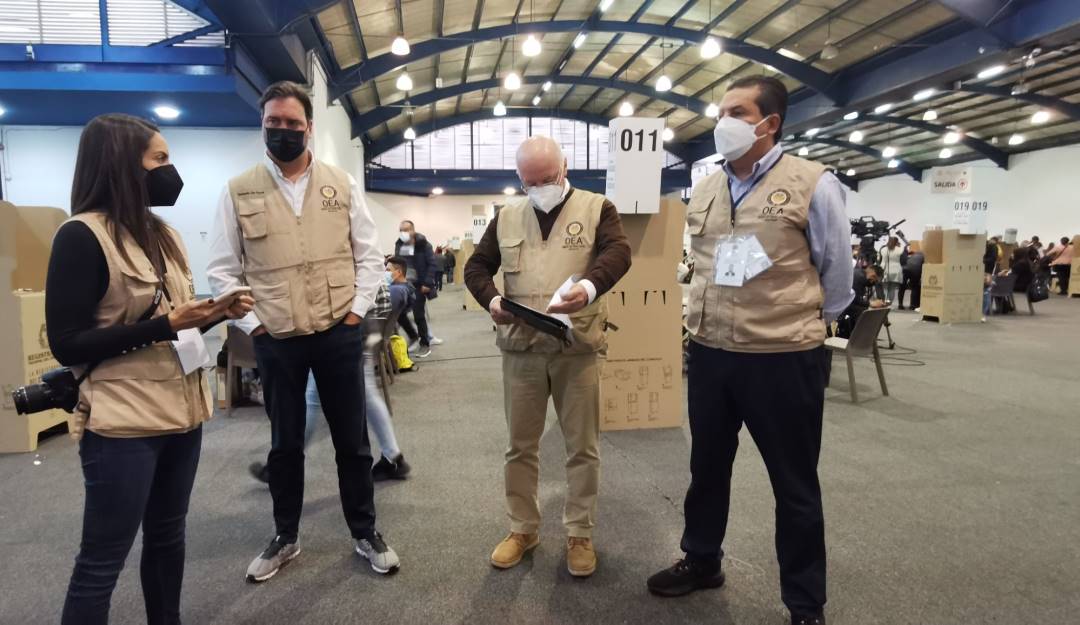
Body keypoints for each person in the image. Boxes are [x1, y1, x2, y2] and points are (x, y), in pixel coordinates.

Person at [645, 76, 853, 625]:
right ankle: (702, 559)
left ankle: (805, 604)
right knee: (707, 468)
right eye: (720, 112)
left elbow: (837, 277)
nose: (723, 122)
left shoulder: (812, 183)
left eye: (736, 112)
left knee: (794, 484)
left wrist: (799, 324)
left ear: (770, 123)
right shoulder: (707, 187)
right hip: (712, 352)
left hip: (783, 357)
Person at [47, 114, 254, 624]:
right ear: (122, 164)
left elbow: (173, 325)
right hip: (123, 424)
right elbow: (67, 344)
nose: (170, 169)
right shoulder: (81, 236)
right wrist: (167, 324)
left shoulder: (164, 235)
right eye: (159, 158)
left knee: (167, 537)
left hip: (183, 415)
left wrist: (212, 314)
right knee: (102, 561)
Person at [206, 81, 399, 581]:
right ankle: (285, 536)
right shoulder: (238, 190)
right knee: (285, 443)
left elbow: (369, 257)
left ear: (309, 127)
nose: (284, 131)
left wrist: (354, 314)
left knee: (353, 442)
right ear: (262, 124)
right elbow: (223, 272)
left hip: (338, 330)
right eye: (274, 122)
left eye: (293, 123)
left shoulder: (341, 184)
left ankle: (365, 531)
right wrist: (255, 328)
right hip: (277, 338)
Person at [464, 135, 631, 578]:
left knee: (582, 447)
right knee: (520, 446)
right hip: (521, 348)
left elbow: (618, 252)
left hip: (576, 347)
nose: (540, 188)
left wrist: (589, 287)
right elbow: (476, 267)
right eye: (530, 182)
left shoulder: (598, 208)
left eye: (548, 178)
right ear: (520, 179)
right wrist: (492, 299)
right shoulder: (506, 216)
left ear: (565, 168)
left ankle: (580, 533)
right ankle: (522, 529)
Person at [248, 279, 412, 484]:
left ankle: (282, 467)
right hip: (360, 324)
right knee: (366, 394)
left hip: (346, 327)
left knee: (315, 400)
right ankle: (393, 457)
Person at [394, 220, 442, 357]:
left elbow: (432, 264)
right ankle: (414, 336)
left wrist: (427, 283)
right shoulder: (399, 244)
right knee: (399, 313)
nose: (403, 233)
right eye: (401, 230)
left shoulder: (423, 244)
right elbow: (397, 263)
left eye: (406, 230)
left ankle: (425, 344)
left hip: (419, 285)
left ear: (413, 230)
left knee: (418, 315)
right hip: (403, 285)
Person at [898, 242, 924, 311]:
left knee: (902, 287)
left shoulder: (911, 254)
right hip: (915, 271)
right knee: (915, 287)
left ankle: (900, 304)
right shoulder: (923, 255)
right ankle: (912, 305)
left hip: (905, 269)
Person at [879, 236, 903, 307]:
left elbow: (880, 259)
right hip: (896, 270)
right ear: (896, 242)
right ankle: (889, 303)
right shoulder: (899, 249)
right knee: (892, 288)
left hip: (884, 269)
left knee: (885, 288)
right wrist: (899, 245)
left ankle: (884, 302)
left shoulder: (883, 249)